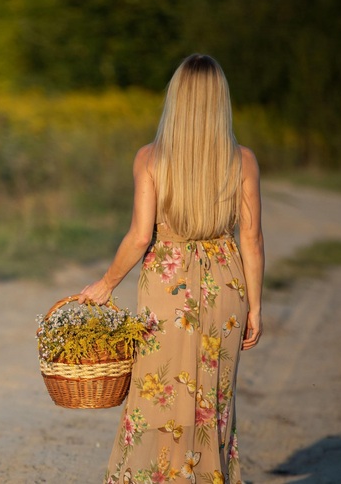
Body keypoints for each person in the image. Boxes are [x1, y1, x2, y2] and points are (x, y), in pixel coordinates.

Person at [77, 54, 264, 483]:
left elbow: (140, 236)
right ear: (221, 102)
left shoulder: (150, 158)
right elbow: (251, 240)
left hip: (167, 284)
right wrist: (255, 307)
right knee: (212, 401)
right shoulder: (243, 160)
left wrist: (106, 284)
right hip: (226, 284)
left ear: (176, 99)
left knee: (154, 395)